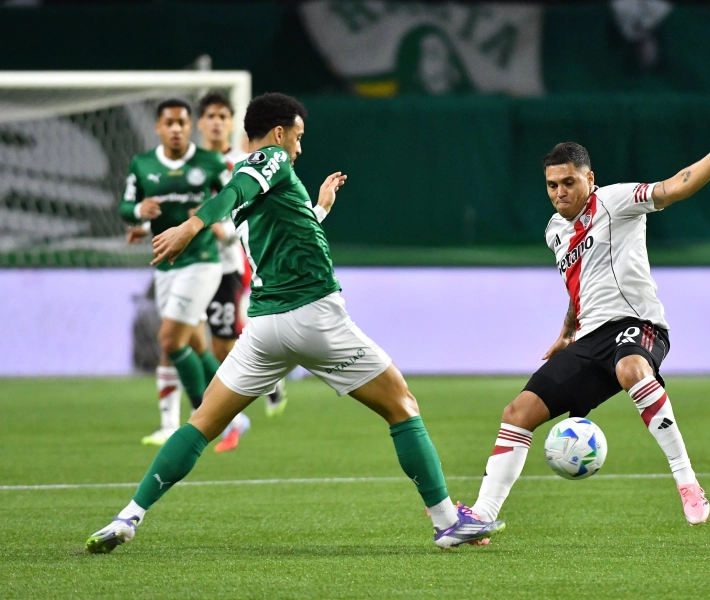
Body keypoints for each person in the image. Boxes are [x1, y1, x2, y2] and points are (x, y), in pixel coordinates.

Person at [85, 92, 505, 553]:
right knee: (402, 405)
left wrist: (319, 207)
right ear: (280, 133)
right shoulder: (267, 160)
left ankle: (128, 517)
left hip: (265, 328)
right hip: (315, 317)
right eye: (298, 137)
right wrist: (191, 226)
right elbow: (237, 188)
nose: (300, 149)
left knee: (201, 423)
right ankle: (447, 521)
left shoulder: (266, 192)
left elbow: (286, 232)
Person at [467, 117, 710, 538]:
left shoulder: (616, 201)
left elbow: (675, 187)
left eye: (568, 182)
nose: (559, 193)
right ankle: (481, 517)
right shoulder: (554, 231)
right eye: (551, 185)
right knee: (518, 413)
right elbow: (580, 285)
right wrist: (568, 330)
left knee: (631, 369)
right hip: (589, 339)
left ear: (590, 178)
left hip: (639, 324)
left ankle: (687, 480)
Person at [120, 99, 230, 446]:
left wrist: (217, 225)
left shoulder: (211, 163)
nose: (177, 129)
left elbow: (238, 201)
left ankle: (204, 416)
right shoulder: (143, 164)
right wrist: (138, 212)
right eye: (170, 123)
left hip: (201, 262)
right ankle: (234, 414)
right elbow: (126, 206)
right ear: (159, 127)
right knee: (196, 343)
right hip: (166, 265)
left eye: (183, 122)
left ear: (190, 125)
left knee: (169, 339)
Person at [195, 92, 288, 453]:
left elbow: (252, 211)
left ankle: (255, 390)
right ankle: (181, 419)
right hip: (190, 264)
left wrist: (224, 230)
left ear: (232, 122)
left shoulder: (245, 162)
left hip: (227, 265)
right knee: (181, 338)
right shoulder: (191, 164)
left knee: (220, 345)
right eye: (210, 116)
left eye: (223, 115)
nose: (216, 122)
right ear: (200, 123)